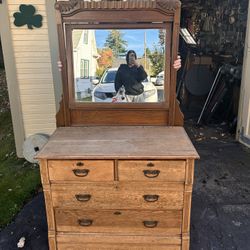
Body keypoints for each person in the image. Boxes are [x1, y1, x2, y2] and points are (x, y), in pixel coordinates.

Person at [114, 50, 181, 102]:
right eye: (130, 55)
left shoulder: (138, 67)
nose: (132, 57)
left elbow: (143, 77)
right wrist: (119, 92)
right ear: (127, 57)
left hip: (139, 95)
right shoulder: (123, 67)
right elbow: (117, 81)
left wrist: (138, 66)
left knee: (139, 114)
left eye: (133, 56)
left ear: (135, 57)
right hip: (127, 96)